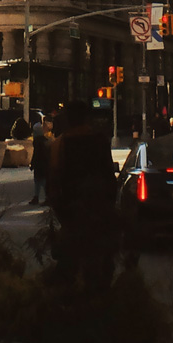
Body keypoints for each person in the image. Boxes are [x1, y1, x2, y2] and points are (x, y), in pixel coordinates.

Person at [46, 100, 118, 287]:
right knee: (100, 268)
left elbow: (53, 184)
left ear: (68, 119)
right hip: (100, 214)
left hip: (73, 213)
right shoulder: (101, 140)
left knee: (70, 270)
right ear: (87, 118)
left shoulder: (59, 144)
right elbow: (110, 177)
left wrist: (63, 215)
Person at [30, 117, 51, 204]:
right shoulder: (45, 141)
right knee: (42, 181)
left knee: (39, 181)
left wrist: (32, 163)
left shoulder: (38, 142)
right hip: (44, 164)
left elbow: (36, 154)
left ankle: (38, 197)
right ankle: (44, 197)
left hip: (39, 164)